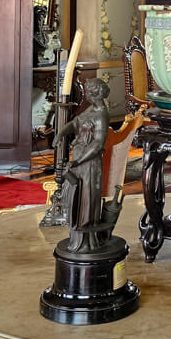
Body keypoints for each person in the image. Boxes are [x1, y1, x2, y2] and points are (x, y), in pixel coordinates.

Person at [53, 77, 110, 252]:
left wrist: (77, 161)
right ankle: (76, 239)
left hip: (89, 163)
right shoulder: (91, 109)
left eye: (88, 92)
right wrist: (61, 133)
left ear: (94, 94)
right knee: (76, 195)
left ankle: (87, 242)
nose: (86, 95)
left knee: (86, 197)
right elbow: (75, 123)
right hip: (79, 156)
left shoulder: (101, 115)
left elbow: (98, 144)